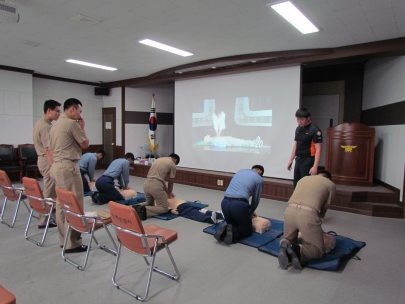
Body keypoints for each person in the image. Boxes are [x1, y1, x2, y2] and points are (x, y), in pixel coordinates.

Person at [49, 98, 89, 253]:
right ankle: (73, 243)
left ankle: (63, 240)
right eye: (79, 111)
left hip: (56, 166)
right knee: (74, 204)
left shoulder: (55, 124)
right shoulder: (72, 124)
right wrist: (82, 127)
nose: (80, 115)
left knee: (61, 203)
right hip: (68, 167)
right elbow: (84, 144)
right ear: (72, 109)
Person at [278, 170, 336, 270]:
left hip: (289, 211)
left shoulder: (303, 179)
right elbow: (323, 209)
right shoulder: (330, 184)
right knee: (318, 249)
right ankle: (297, 250)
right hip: (308, 214)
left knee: (289, 238)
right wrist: (318, 225)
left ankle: (285, 243)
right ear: (329, 179)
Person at [214, 165, 264, 245]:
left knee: (233, 224)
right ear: (260, 172)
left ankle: (226, 230)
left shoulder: (240, 171)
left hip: (224, 203)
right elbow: (256, 200)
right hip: (238, 205)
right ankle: (230, 231)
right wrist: (250, 212)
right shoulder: (259, 179)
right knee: (247, 229)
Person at [32, 99, 61, 229]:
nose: (58, 114)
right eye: (57, 111)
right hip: (47, 159)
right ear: (49, 110)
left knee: (50, 190)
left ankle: (48, 217)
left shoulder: (41, 123)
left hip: (43, 159)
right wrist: (54, 166)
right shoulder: (45, 126)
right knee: (49, 191)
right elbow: (48, 149)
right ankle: (44, 220)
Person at [133, 153, 180, 220]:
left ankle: (134, 208)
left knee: (150, 204)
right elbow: (171, 183)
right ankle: (142, 210)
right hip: (156, 186)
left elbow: (163, 180)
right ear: (175, 160)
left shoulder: (158, 159)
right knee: (164, 208)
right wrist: (169, 195)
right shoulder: (172, 163)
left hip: (146, 184)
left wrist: (167, 193)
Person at [287, 108, 322, 188]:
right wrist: (291, 160)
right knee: (296, 183)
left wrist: (315, 166)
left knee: (305, 184)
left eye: (302, 119)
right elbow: (296, 145)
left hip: (308, 160)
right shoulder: (298, 129)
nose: (299, 121)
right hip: (298, 159)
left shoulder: (315, 130)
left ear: (308, 118)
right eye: (298, 119)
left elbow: (318, 149)